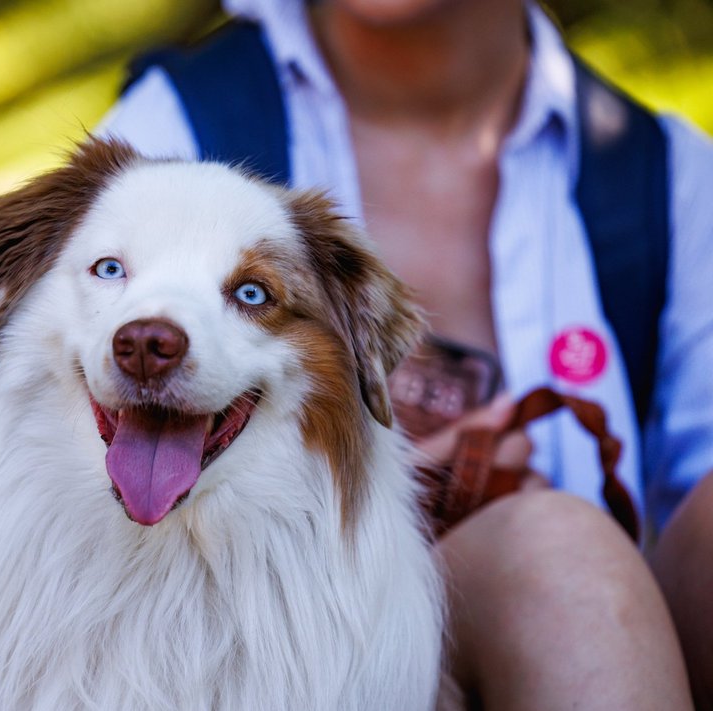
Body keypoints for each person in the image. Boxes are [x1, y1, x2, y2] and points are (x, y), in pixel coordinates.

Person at [101, 0, 713, 707]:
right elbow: (59, 512)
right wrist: (392, 493)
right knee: (558, 560)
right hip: (262, 657)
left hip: (614, 653)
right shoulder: (173, 134)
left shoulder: (667, 178)